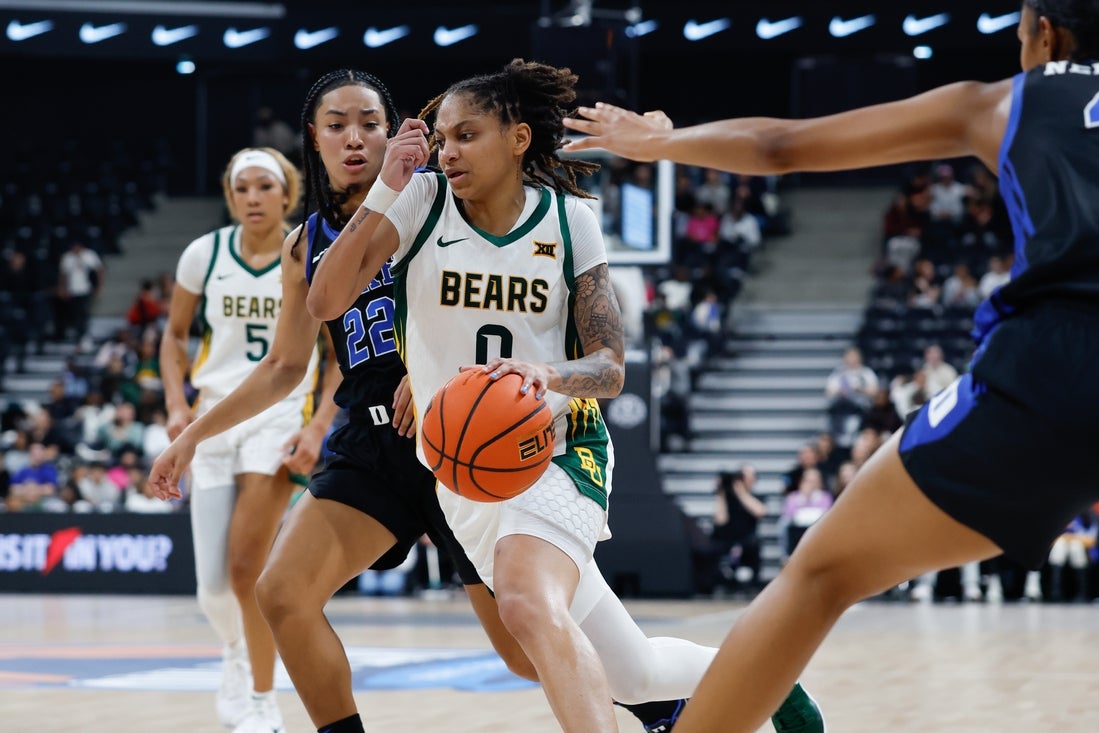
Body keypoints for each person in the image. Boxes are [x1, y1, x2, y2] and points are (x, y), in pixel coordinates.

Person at [147, 69, 821, 733]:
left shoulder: (559, 216)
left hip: (544, 444)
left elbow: (610, 366)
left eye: (373, 124)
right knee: (627, 669)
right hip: (434, 454)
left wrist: (538, 375)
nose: (446, 152)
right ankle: (753, 679)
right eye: (442, 139)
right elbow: (320, 314)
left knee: (526, 613)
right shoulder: (402, 205)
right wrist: (193, 433)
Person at [564, 1, 1099, 729]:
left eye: (1019, 36)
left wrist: (659, 142)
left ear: (1046, 35)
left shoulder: (1005, 102)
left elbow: (781, 145)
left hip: (1053, 368)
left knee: (820, 575)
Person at [157, 146, 338, 733]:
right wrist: (176, 402)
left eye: (265, 187)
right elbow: (174, 336)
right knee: (212, 587)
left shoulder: (309, 250)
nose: (253, 198)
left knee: (244, 568)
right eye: (242, 189)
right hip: (213, 417)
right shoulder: (203, 254)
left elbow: (337, 354)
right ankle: (237, 653)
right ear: (230, 197)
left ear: (287, 193)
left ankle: (262, 700)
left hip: (278, 417)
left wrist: (317, 425)